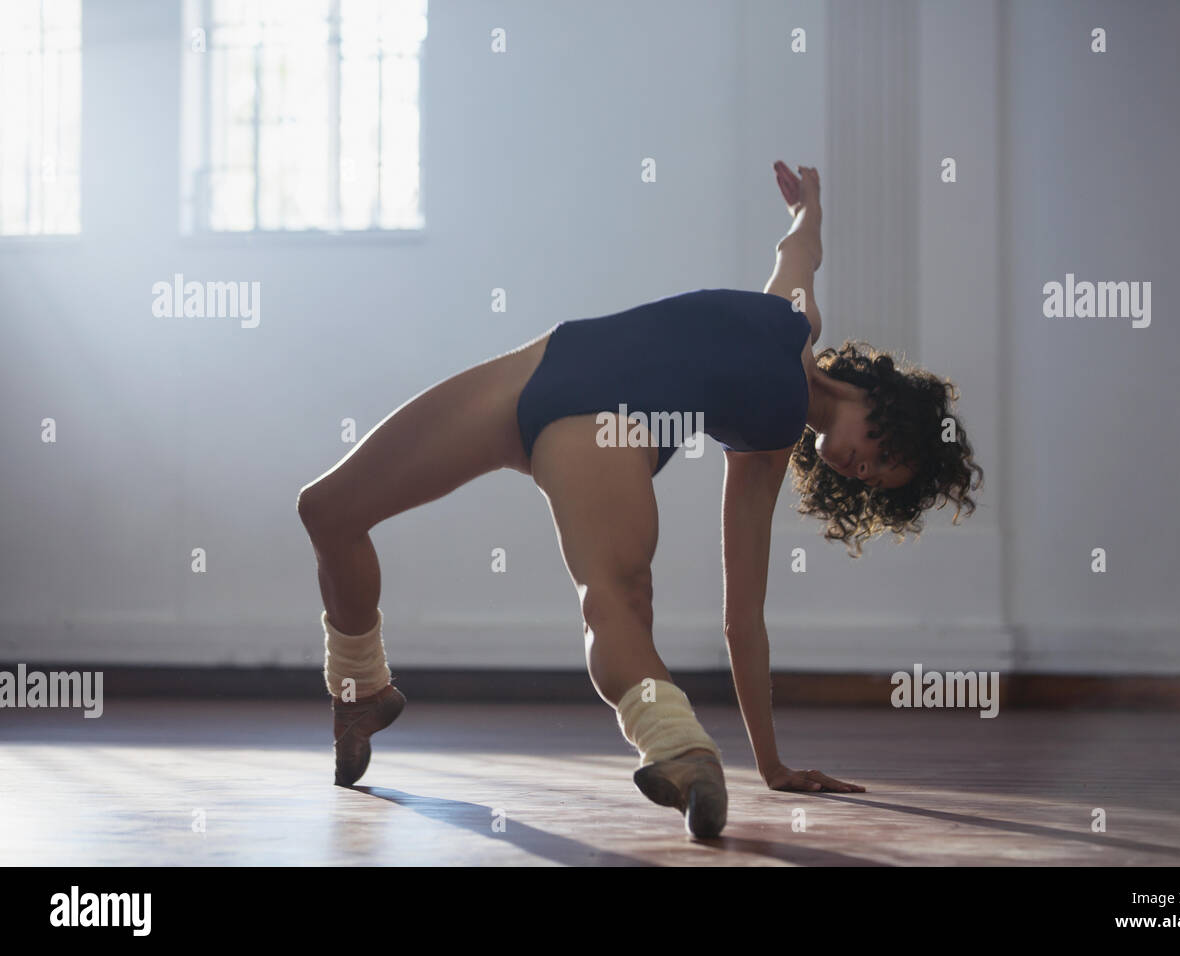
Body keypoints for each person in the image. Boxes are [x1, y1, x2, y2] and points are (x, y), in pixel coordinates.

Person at [296, 161, 984, 838]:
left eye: (871, 482)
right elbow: (801, 249)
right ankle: (360, 689)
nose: (864, 469)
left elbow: (743, 619)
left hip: (605, 427)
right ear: (890, 403)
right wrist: (810, 204)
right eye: (885, 455)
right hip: (540, 368)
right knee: (327, 509)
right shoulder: (793, 317)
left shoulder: (767, 446)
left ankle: (679, 749)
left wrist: (772, 767)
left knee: (616, 596)